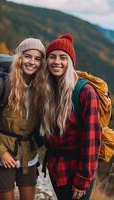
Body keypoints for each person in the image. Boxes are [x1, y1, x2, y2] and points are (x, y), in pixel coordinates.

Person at [0, 37, 45, 200]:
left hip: (28, 154)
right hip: (1, 154)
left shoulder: (42, 90)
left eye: (38, 59)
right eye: (28, 56)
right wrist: (1, 152)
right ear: (19, 57)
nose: (32, 62)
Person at [41, 34, 101, 200]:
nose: (57, 62)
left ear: (70, 62)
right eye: (52, 57)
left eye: (63, 57)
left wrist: (82, 179)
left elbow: (92, 140)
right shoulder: (49, 89)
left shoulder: (85, 92)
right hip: (56, 168)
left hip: (77, 171)